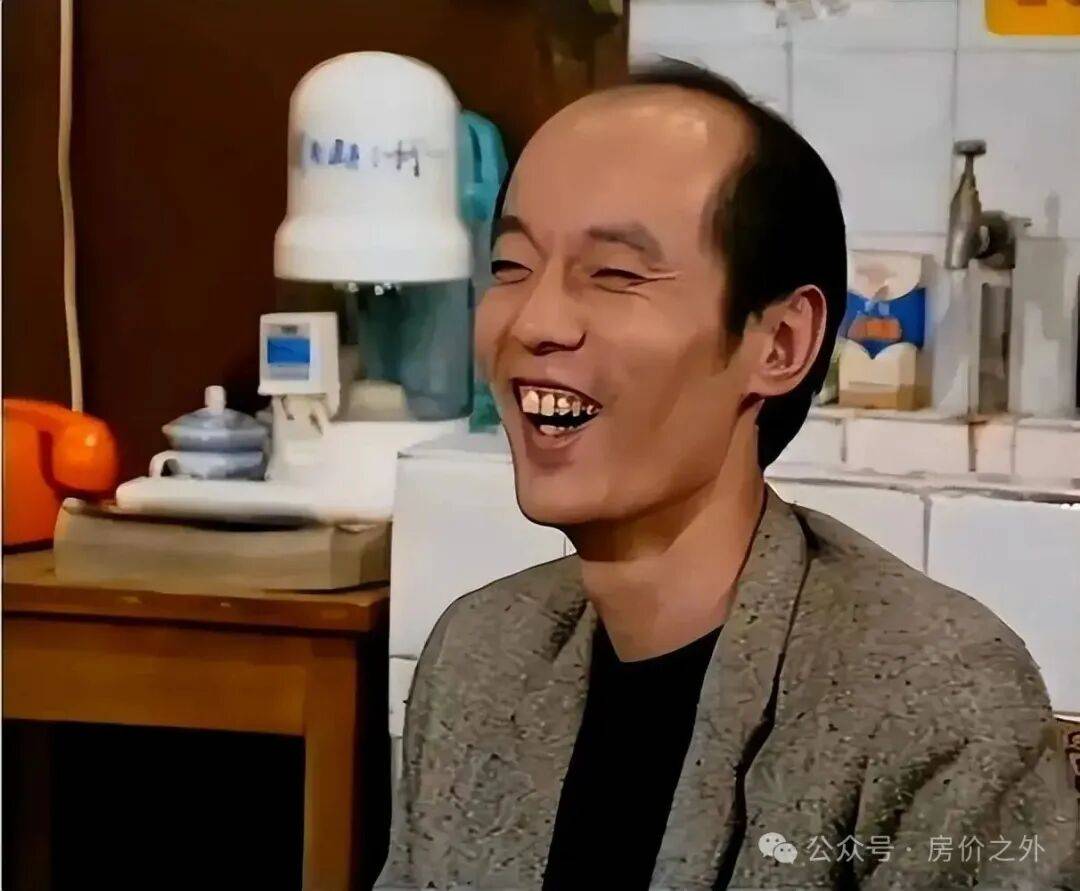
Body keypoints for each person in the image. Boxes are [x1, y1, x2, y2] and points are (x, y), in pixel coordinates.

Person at [376, 62, 1078, 890]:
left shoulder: (938, 700)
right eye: (510, 267)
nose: (534, 321)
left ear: (780, 343)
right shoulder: (478, 655)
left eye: (615, 274)